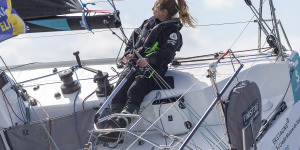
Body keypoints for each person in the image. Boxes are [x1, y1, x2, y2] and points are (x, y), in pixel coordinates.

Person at [98, 0, 197, 142]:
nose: (152, 9)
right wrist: (128, 54)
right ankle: (112, 129)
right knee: (118, 92)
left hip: (153, 68)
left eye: (155, 7)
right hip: (134, 65)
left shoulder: (172, 32)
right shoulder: (147, 24)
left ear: (164, 12)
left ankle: (122, 123)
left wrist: (149, 59)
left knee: (134, 90)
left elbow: (167, 54)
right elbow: (133, 39)